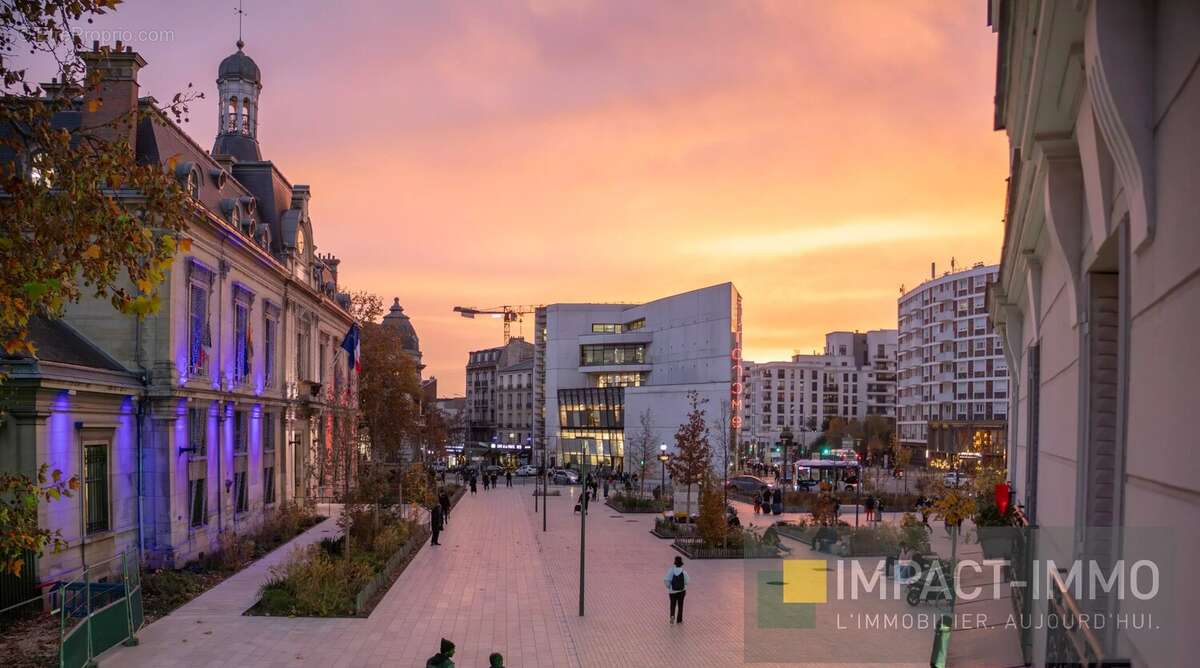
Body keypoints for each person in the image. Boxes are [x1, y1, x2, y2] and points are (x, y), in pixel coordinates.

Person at [664, 555, 689, 624]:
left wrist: (669, 587)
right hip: (681, 591)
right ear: (681, 564)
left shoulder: (671, 571)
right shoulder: (684, 572)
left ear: (675, 563)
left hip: (672, 591)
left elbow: (666, 579)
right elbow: (687, 581)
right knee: (680, 605)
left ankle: (672, 615)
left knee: (672, 604)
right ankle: (679, 620)